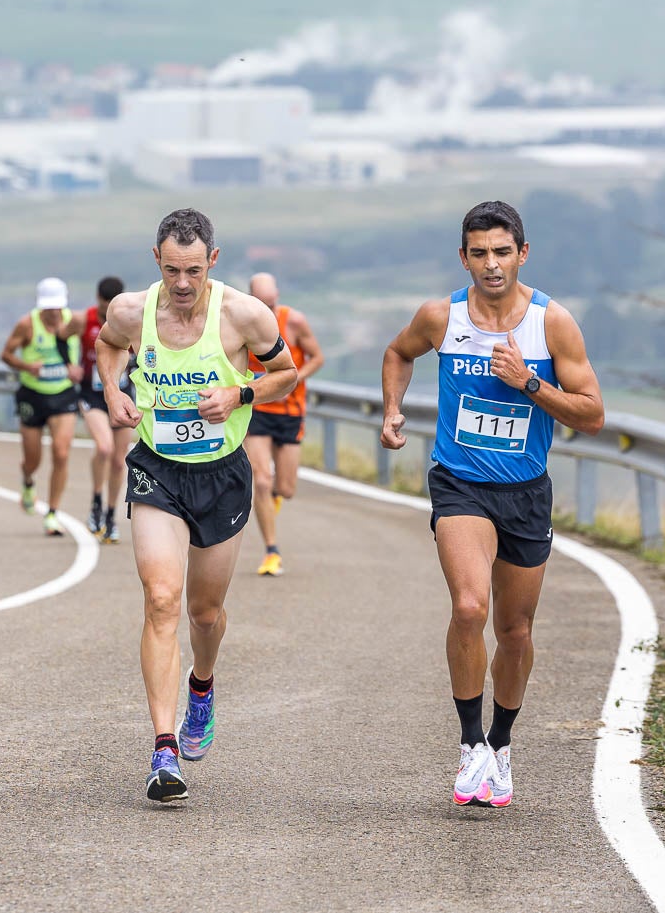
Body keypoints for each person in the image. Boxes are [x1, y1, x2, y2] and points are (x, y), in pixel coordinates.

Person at [379, 200, 604, 808]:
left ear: (522, 254)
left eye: (502, 252)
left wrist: (530, 383)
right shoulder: (441, 316)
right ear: (464, 257)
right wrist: (393, 409)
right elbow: (399, 353)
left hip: (526, 491)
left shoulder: (552, 324)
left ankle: (501, 747)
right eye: (479, 253)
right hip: (461, 482)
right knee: (470, 606)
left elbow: (593, 415)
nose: (491, 264)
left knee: (516, 628)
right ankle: (470, 743)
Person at [95, 208, 296, 803]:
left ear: (213, 260)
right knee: (162, 599)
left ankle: (201, 687)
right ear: (155, 261)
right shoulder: (130, 312)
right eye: (171, 270)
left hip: (222, 473)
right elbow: (108, 350)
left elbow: (286, 372)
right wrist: (113, 391)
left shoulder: (244, 315)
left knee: (204, 614)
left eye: (193, 270)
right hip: (157, 468)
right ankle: (164, 748)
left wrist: (242, 391)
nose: (183, 284)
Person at [242, 272, 324, 577]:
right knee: (261, 480)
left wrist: (291, 378)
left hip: (290, 410)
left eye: (271, 302)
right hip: (258, 408)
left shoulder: (294, 320)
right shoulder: (244, 323)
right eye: (262, 303)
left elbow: (317, 357)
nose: (268, 308)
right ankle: (271, 550)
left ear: (277, 295)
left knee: (286, 489)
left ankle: (272, 501)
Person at [0, 277, 83, 537]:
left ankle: (52, 513)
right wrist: (27, 367)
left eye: (56, 306)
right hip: (32, 396)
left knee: (61, 453)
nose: (52, 312)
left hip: (63, 395)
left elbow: (96, 348)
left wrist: (78, 370)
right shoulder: (27, 325)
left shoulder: (74, 322)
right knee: (32, 459)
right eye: (48, 307)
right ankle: (27, 481)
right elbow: (6, 354)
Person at [78, 276, 136, 544]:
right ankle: (96, 501)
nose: (106, 311)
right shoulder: (84, 320)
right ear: (97, 300)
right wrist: (70, 365)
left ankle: (111, 515)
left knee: (118, 460)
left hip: (123, 396)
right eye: (103, 306)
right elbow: (62, 335)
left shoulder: (130, 322)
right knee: (104, 447)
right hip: (93, 396)